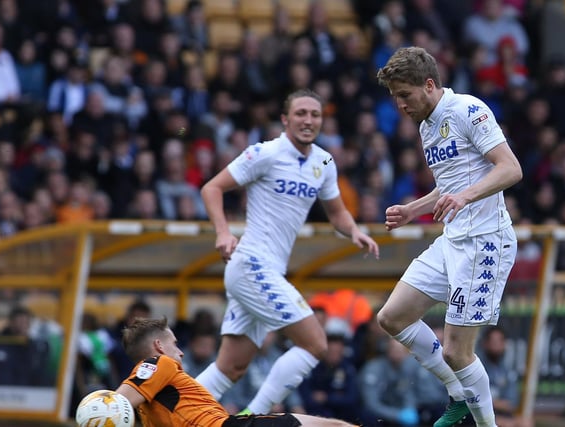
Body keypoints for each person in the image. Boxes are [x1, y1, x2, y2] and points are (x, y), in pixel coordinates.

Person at [196, 88, 380, 415]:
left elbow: (336, 212)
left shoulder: (323, 162)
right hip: (252, 265)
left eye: (315, 114)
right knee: (316, 343)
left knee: (231, 368)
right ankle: (252, 417)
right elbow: (212, 187)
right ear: (285, 119)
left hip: (265, 272)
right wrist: (223, 232)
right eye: (300, 113)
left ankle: (172, 415)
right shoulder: (264, 153)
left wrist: (354, 231)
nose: (308, 120)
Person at [375, 46, 522, 427]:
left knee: (458, 352)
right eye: (394, 99)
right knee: (392, 317)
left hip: (485, 242)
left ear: (428, 84)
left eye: (404, 96)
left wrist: (466, 196)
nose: (400, 106)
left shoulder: (468, 110)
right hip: (452, 239)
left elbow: (510, 169)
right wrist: (413, 209)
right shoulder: (427, 125)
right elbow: (451, 186)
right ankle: (458, 393)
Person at [115, 317, 360, 427]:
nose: (180, 352)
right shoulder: (160, 363)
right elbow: (117, 402)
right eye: (175, 344)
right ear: (159, 346)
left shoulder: (148, 411)